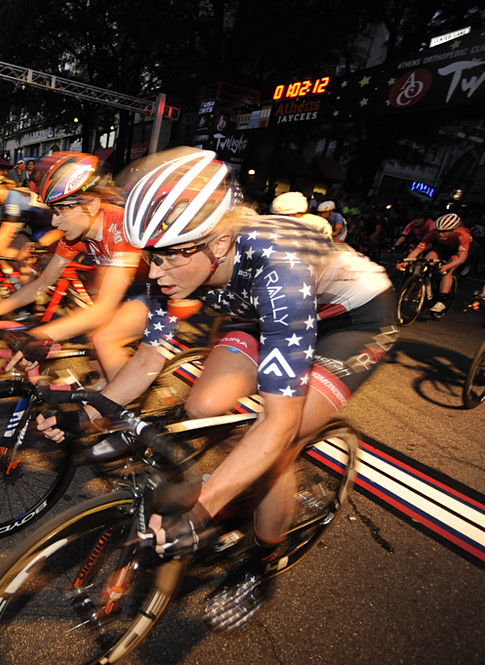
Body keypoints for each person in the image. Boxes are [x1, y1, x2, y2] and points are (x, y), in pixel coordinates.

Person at [38, 148, 396, 631]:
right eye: (149, 258)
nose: (155, 273)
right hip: (255, 306)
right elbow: (148, 357)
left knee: (279, 444)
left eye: (166, 259)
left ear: (219, 243)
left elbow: (278, 419)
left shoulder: (279, 270)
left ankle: (264, 559)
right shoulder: (182, 260)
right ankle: (240, 475)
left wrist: (202, 509)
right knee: (204, 405)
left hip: (354, 319)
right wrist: (88, 415)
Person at [0, 152, 146, 382]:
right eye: (52, 212)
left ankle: (122, 414)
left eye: (61, 210)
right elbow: (42, 283)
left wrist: (42, 335)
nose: (55, 221)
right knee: (96, 355)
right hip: (130, 284)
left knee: (105, 339)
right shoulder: (74, 236)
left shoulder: (119, 226)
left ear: (93, 205)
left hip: (157, 288)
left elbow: (104, 308)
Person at [397, 213, 471, 315]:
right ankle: (427, 286)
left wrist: (447, 266)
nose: (440, 234)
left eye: (444, 232)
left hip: (457, 251)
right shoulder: (432, 233)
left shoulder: (463, 234)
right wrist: (406, 261)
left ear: (453, 230)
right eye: (438, 231)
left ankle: (441, 300)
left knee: (447, 272)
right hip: (442, 247)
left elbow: (462, 258)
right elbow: (417, 250)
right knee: (427, 260)